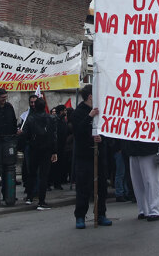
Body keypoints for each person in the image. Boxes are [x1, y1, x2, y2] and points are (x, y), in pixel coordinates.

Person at [71, 85, 112, 229]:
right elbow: (77, 131)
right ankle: (80, 216)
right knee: (83, 187)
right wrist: (90, 116)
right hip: (84, 155)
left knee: (101, 187)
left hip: (99, 155)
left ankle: (101, 213)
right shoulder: (78, 112)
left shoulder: (101, 111)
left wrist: (102, 138)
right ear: (90, 96)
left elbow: (107, 130)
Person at [23, 97, 57, 209]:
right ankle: (41, 201)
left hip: (34, 148)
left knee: (32, 173)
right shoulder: (50, 119)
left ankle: (29, 197)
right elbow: (53, 136)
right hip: (46, 149)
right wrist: (54, 151)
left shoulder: (30, 119)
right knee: (43, 176)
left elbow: (26, 134)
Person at [125, 139, 159, 221]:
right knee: (137, 183)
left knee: (151, 181)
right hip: (132, 148)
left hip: (148, 147)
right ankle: (144, 209)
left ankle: (155, 210)